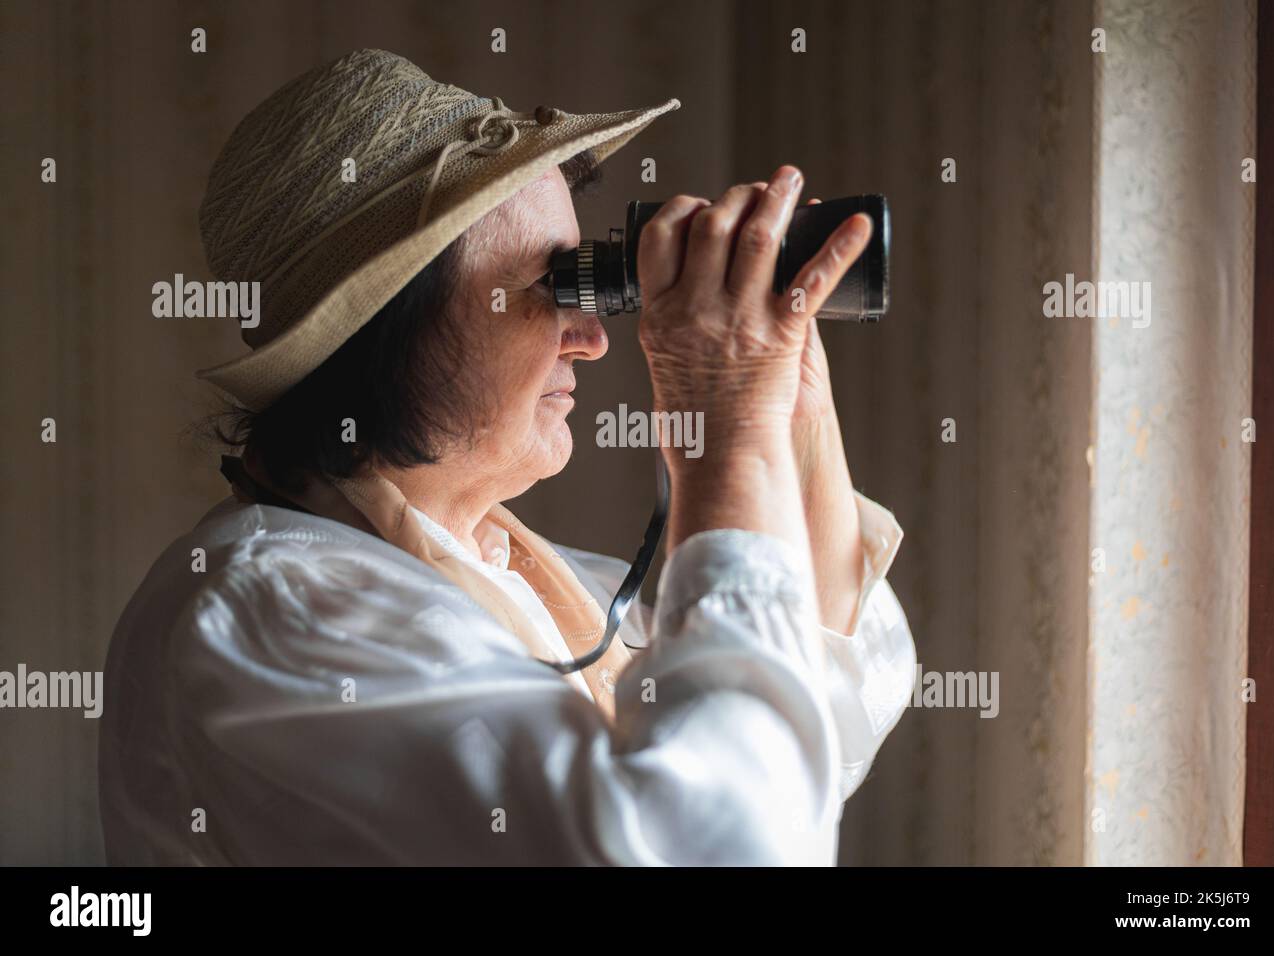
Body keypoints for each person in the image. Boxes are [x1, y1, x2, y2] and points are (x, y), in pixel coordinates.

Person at [98, 49, 916, 865]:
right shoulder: (280, 609)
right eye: (549, 287)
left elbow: (825, 710)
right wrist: (728, 425)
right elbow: (722, 840)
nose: (595, 338)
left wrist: (791, 412)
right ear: (389, 332)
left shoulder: (508, 572)